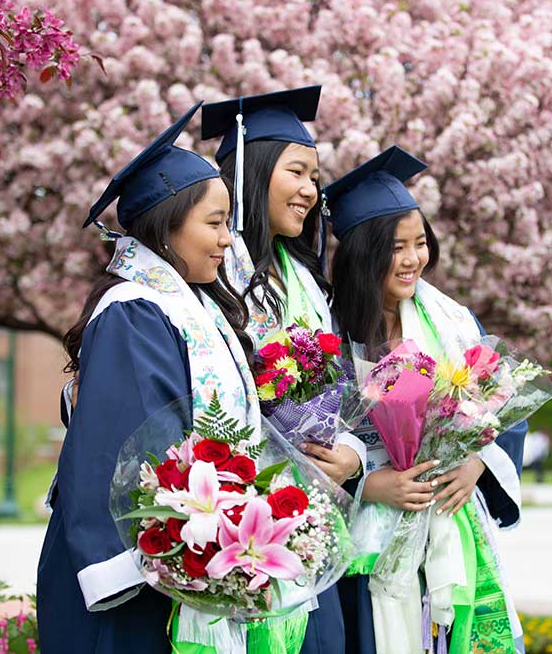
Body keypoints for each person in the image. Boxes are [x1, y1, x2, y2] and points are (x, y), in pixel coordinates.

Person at [36, 103, 262, 653]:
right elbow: (127, 454)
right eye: (214, 223)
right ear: (166, 226)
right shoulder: (134, 311)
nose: (228, 241)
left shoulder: (192, 307)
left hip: (177, 566)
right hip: (136, 578)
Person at [326, 147, 526, 654]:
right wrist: (370, 484)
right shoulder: (326, 332)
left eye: (420, 243)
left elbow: (501, 405)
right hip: (364, 547)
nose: (414, 259)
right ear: (364, 253)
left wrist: (476, 463)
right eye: (397, 247)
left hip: (447, 530)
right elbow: (309, 439)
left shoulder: (452, 322)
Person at [201, 86, 362, 654]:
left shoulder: (307, 278)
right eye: (297, 172)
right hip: (236, 520)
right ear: (254, 169)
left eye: (316, 178)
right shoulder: (212, 274)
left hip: (310, 511)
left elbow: (342, 390)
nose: (311, 192)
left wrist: (353, 456)